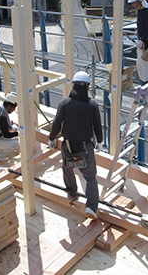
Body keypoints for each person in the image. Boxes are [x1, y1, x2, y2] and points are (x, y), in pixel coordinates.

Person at [48, 71, 103, 219]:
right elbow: (97, 125)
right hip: (85, 148)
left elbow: (57, 123)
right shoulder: (92, 105)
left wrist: (52, 138)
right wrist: (100, 141)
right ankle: (91, 206)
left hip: (68, 147)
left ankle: (72, 194)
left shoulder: (65, 103)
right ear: (87, 86)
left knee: (67, 169)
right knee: (90, 176)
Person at [127, 0, 148, 85]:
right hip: (141, 42)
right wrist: (139, 32)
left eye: (134, 2)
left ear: (139, 1)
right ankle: (143, 91)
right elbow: (143, 26)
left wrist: (142, 40)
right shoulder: (141, 11)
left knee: (144, 69)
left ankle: (145, 90)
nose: (133, 5)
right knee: (139, 67)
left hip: (145, 45)